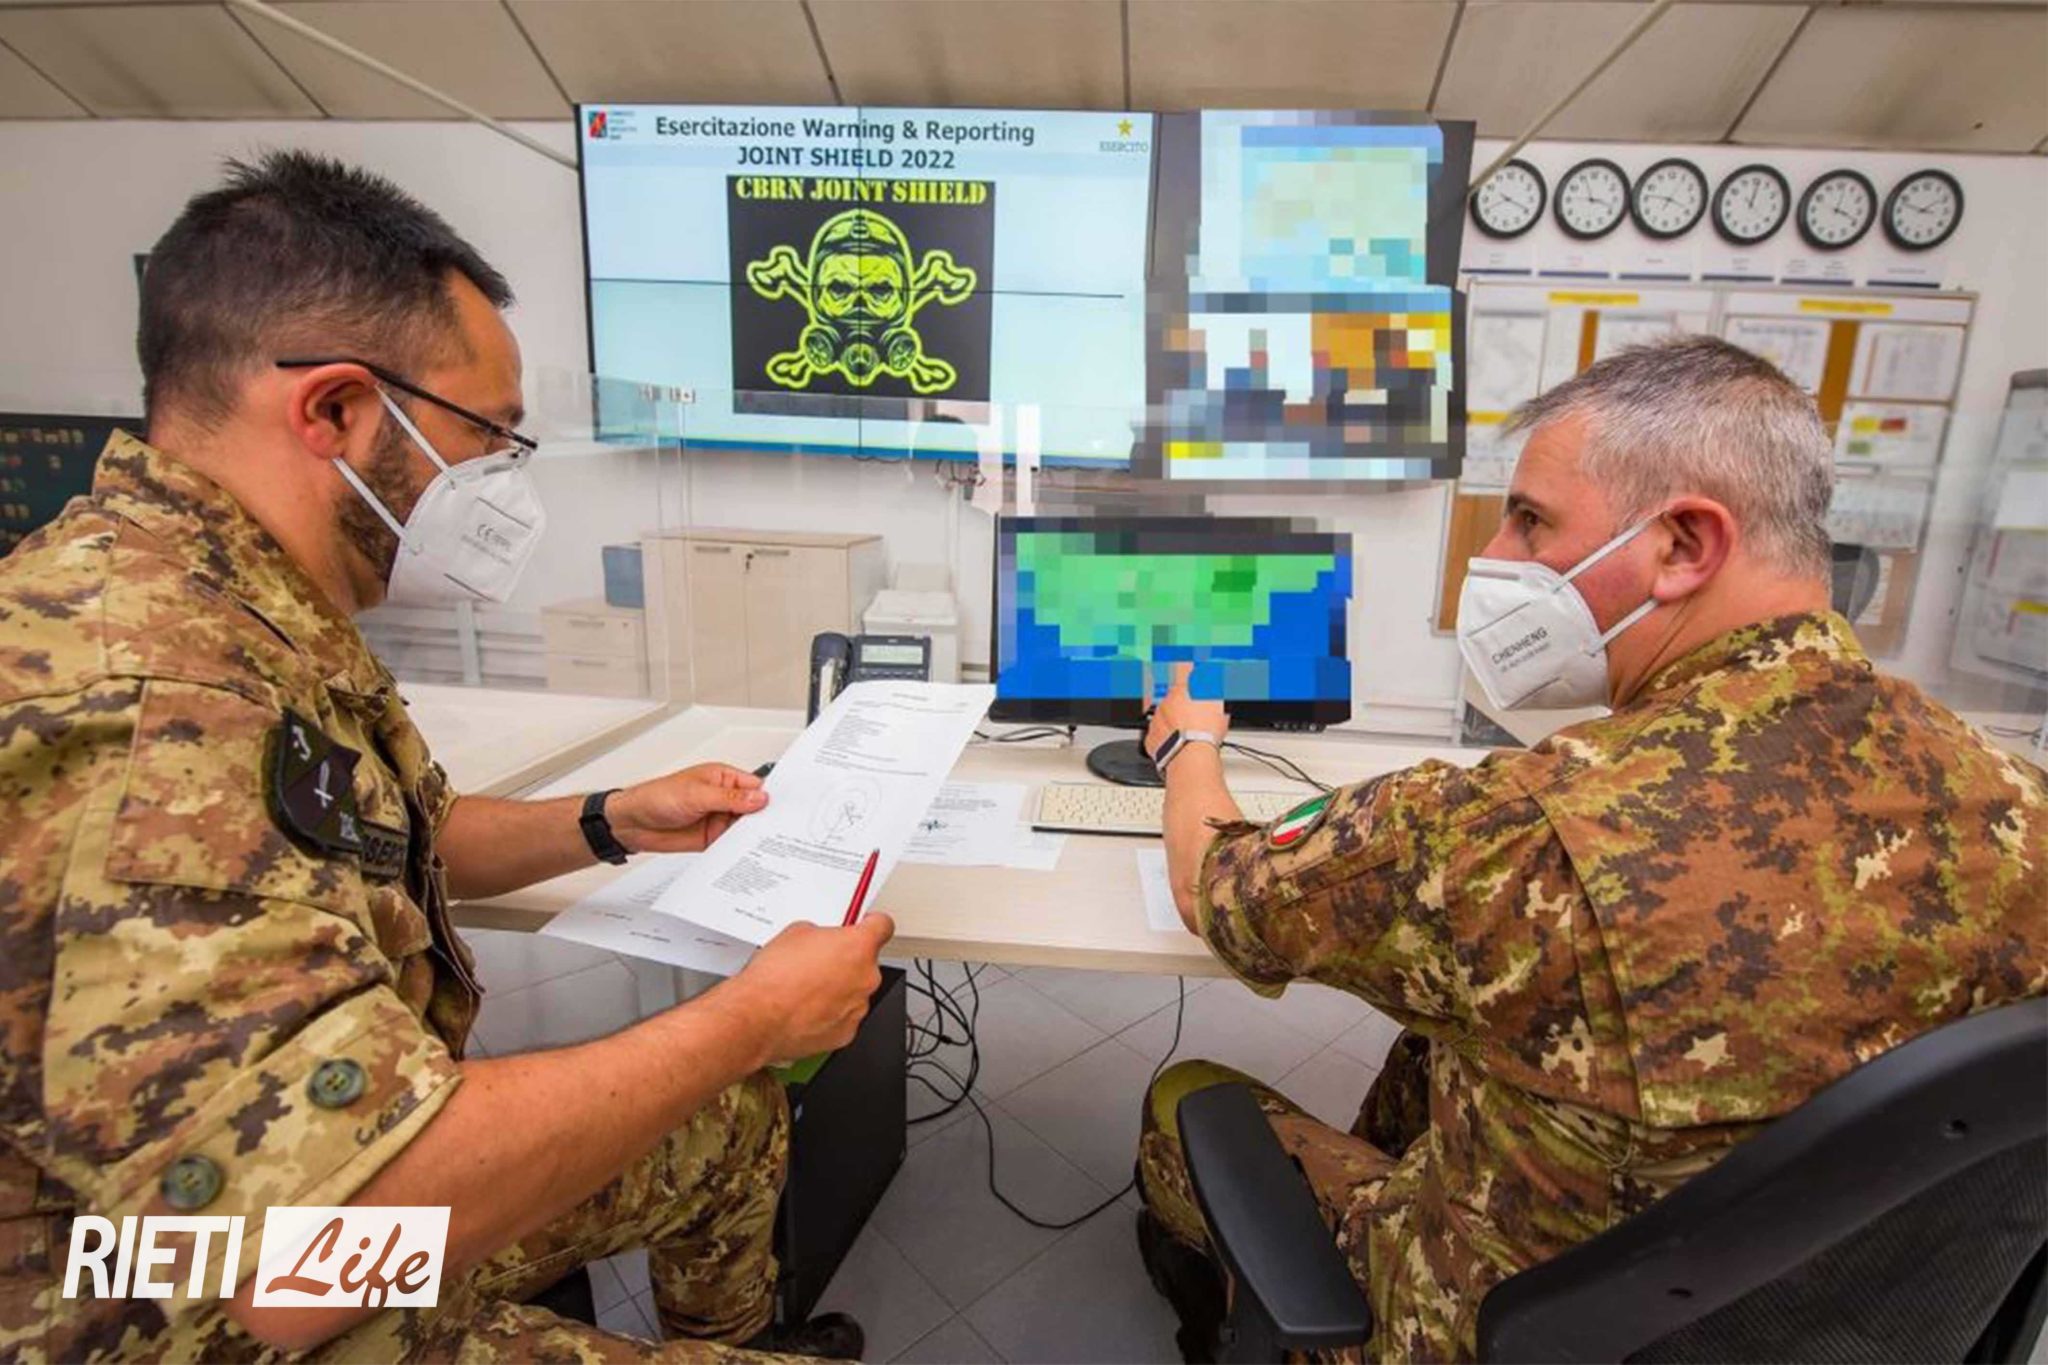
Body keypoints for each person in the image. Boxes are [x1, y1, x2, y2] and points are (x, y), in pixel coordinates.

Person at [0, 151, 895, 1363]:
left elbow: (396, 837)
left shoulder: (227, 603)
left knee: (728, 1131)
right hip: (188, 1311)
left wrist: (611, 817)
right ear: (334, 411)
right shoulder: (152, 698)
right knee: (721, 1076)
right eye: (487, 436)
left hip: (306, 1234)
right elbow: (320, 1244)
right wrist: (751, 1019)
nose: (500, 480)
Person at [1133, 336, 2048, 1363]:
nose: (1497, 557)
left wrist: (1189, 748)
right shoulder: (2019, 798)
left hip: (1493, 1332)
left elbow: (1217, 888)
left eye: (1530, 520)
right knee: (1436, 1043)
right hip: (1852, 1325)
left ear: (1682, 544)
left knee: (1184, 1099)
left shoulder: (1514, 832)